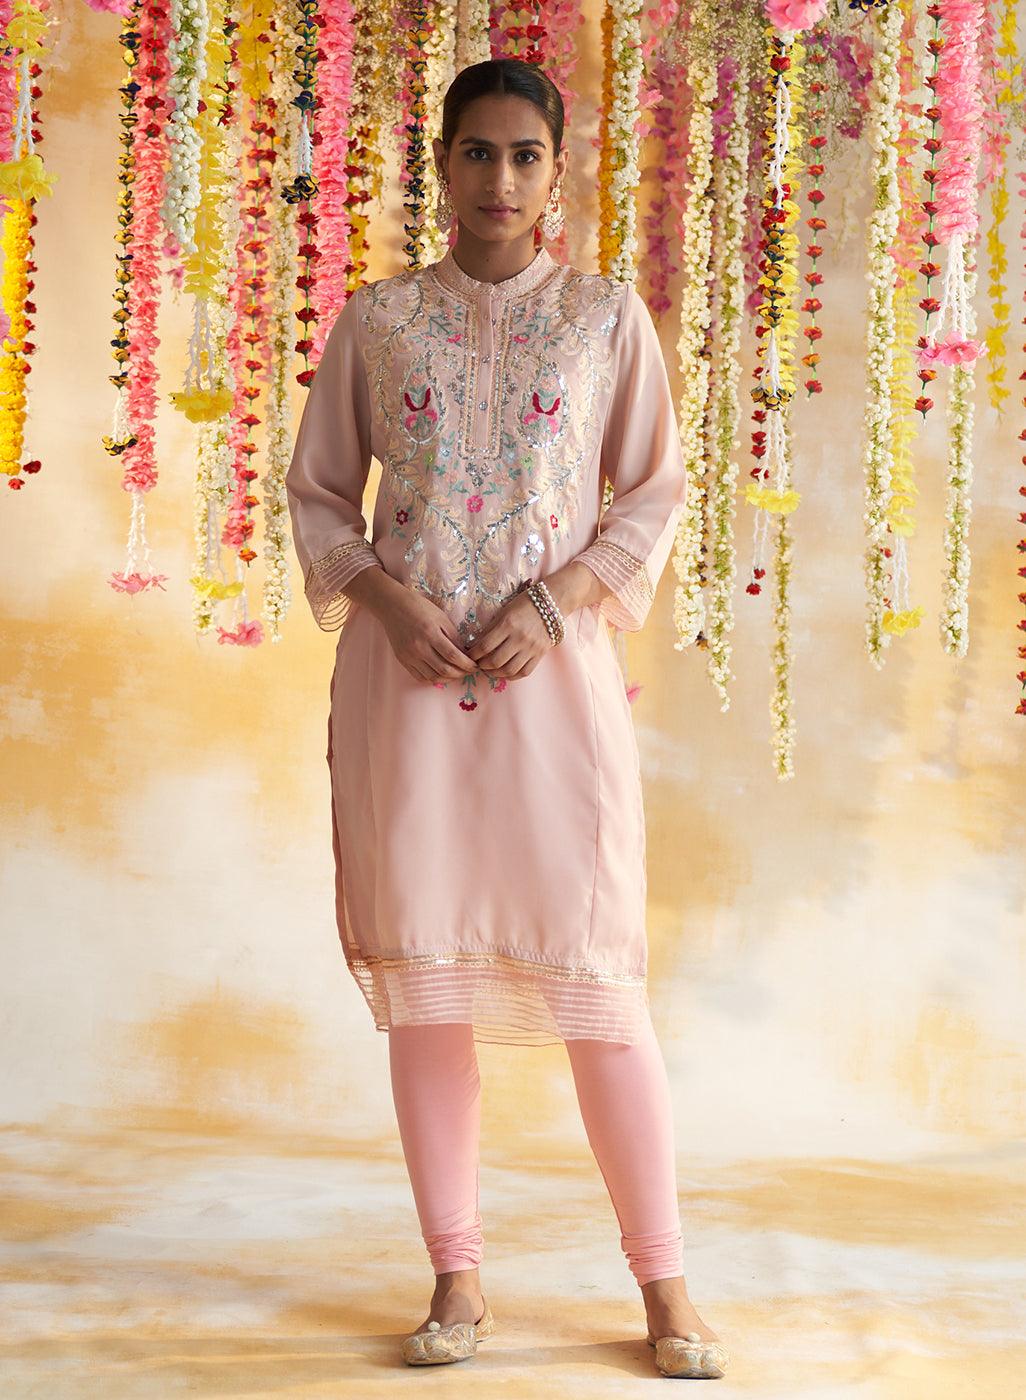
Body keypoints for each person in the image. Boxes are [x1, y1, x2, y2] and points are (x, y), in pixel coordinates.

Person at [285, 56, 728, 1380]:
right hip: (408, 693)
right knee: (428, 979)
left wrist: (558, 599)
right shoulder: (379, 322)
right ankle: (456, 1279)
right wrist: (383, 601)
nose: (500, 178)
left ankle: (665, 1289)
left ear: (556, 170)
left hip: (554, 690)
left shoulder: (602, 320)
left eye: (524, 155)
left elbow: (651, 491)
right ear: (439, 165)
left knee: (597, 984)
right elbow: (320, 495)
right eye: (475, 152)